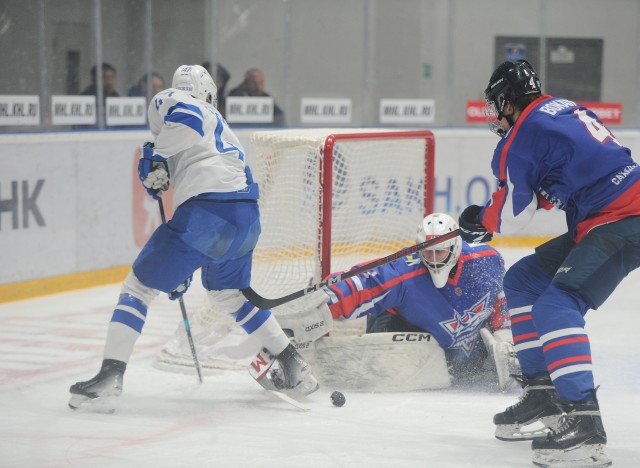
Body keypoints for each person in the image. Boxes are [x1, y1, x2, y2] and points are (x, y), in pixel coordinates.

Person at [68, 64, 317, 412]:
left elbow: (188, 122)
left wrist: (155, 154)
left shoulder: (175, 100)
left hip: (209, 215)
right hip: (246, 218)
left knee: (138, 288)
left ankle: (109, 378)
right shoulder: (223, 127)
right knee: (228, 293)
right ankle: (294, 365)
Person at [458, 59, 640, 467]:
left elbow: (511, 215)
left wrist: (478, 220)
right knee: (523, 280)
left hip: (622, 220)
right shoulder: (561, 109)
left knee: (556, 306)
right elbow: (582, 169)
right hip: (609, 215)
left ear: (507, 100)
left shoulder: (521, 136)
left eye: (496, 105)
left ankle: (584, 420)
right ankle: (543, 394)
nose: (495, 114)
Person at [323, 212, 514, 387]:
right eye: (427, 252)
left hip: (461, 346)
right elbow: (365, 283)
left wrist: (503, 331)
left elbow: (499, 297)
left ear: (455, 247)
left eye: (439, 252)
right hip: (404, 329)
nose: (433, 259)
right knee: (389, 381)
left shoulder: (485, 261)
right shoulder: (404, 272)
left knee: (481, 372)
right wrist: (326, 299)